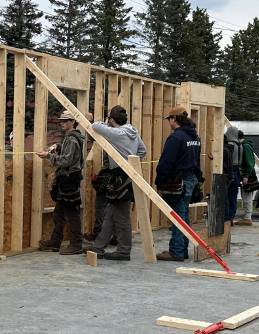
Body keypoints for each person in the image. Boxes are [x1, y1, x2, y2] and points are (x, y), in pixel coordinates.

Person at [86, 106, 146, 261]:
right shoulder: (133, 133)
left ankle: (124, 251)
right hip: (127, 177)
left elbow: (95, 126)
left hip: (120, 177)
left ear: (112, 120)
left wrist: (105, 123)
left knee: (122, 217)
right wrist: (132, 162)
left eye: (110, 120)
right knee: (110, 214)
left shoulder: (116, 134)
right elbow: (142, 151)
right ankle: (98, 248)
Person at [155, 106, 201, 261]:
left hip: (177, 181)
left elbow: (166, 162)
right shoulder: (195, 137)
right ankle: (183, 249)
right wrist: (199, 179)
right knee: (183, 214)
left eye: (169, 119)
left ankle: (176, 251)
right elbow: (197, 161)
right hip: (190, 179)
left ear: (175, 119)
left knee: (177, 216)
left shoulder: (176, 137)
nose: (169, 122)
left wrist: (159, 183)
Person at [37, 111, 86, 255]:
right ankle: (55, 242)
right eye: (61, 121)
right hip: (67, 179)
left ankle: (76, 244)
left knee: (72, 213)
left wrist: (49, 156)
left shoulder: (72, 139)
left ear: (73, 122)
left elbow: (65, 161)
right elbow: (68, 154)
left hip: (69, 180)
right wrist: (58, 146)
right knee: (59, 212)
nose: (62, 123)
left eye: (65, 121)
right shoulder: (70, 138)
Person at [234, 130, 256, 226]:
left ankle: (247, 218)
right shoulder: (245, 145)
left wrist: (246, 176)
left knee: (247, 197)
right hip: (247, 174)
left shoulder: (245, 146)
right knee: (246, 196)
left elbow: (250, 163)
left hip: (248, 175)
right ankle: (247, 217)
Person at [224, 126, 242, 223]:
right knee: (233, 195)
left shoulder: (230, 145)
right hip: (238, 172)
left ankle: (226, 217)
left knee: (226, 195)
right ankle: (232, 216)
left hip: (230, 171)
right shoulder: (240, 145)